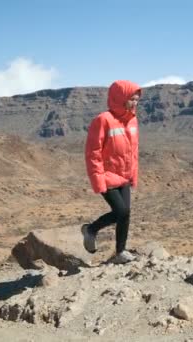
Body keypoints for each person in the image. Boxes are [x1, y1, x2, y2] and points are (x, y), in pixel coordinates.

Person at [81, 80, 142, 264]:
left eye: (137, 100)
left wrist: (133, 175)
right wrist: (98, 179)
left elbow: (133, 151)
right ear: (120, 98)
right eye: (132, 99)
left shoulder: (132, 120)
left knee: (126, 213)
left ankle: (120, 252)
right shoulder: (103, 120)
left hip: (124, 176)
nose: (135, 103)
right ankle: (91, 230)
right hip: (107, 175)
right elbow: (93, 152)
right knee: (121, 211)